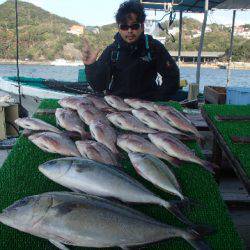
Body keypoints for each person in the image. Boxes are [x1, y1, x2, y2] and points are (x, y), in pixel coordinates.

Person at [82, 0, 180, 101]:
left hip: (147, 107)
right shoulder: (112, 51)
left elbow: (172, 77)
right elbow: (99, 86)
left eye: (134, 26)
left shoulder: (154, 47)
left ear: (142, 26)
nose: (129, 31)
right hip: (117, 107)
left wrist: (157, 100)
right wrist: (90, 66)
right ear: (119, 28)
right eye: (124, 27)